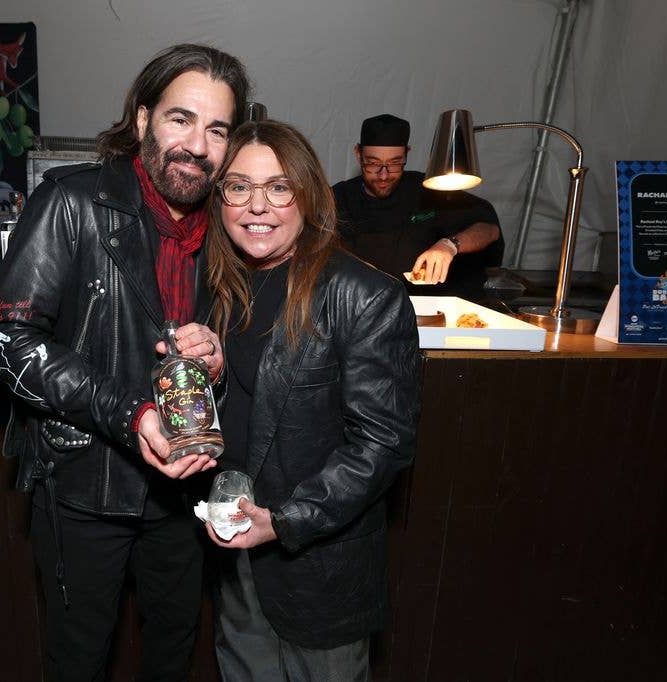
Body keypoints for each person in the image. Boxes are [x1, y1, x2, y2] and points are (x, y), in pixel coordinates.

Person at [0, 44, 250, 681]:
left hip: (187, 486)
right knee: (80, 654)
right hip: (86, 484)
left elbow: (245, 335)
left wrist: (217, 349)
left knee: (173, 644)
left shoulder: (229, 223)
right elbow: (8, 341)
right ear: (141, 119)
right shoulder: (71, 201)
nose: (198, 145)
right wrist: (133, 415)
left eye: (217, 129)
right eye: (180, 119)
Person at [204, 119, 422, 680]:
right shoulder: (219, 288)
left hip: (318, 559)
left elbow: (383, 445)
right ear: (220, 197)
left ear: (308, 196)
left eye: (279, 187)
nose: (259, 206)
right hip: (237, 545)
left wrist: (285, 521)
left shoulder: (365, 296)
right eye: (239, 187)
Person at [333, 113, 503, 299]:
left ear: (407, 153)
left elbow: (489, 229)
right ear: (358, 154)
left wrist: (450, 245)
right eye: (373, 164)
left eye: (395, 163)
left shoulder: (429, 189)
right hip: (361, 304)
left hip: (429, 307)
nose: (383, 175)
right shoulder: (339, 198)